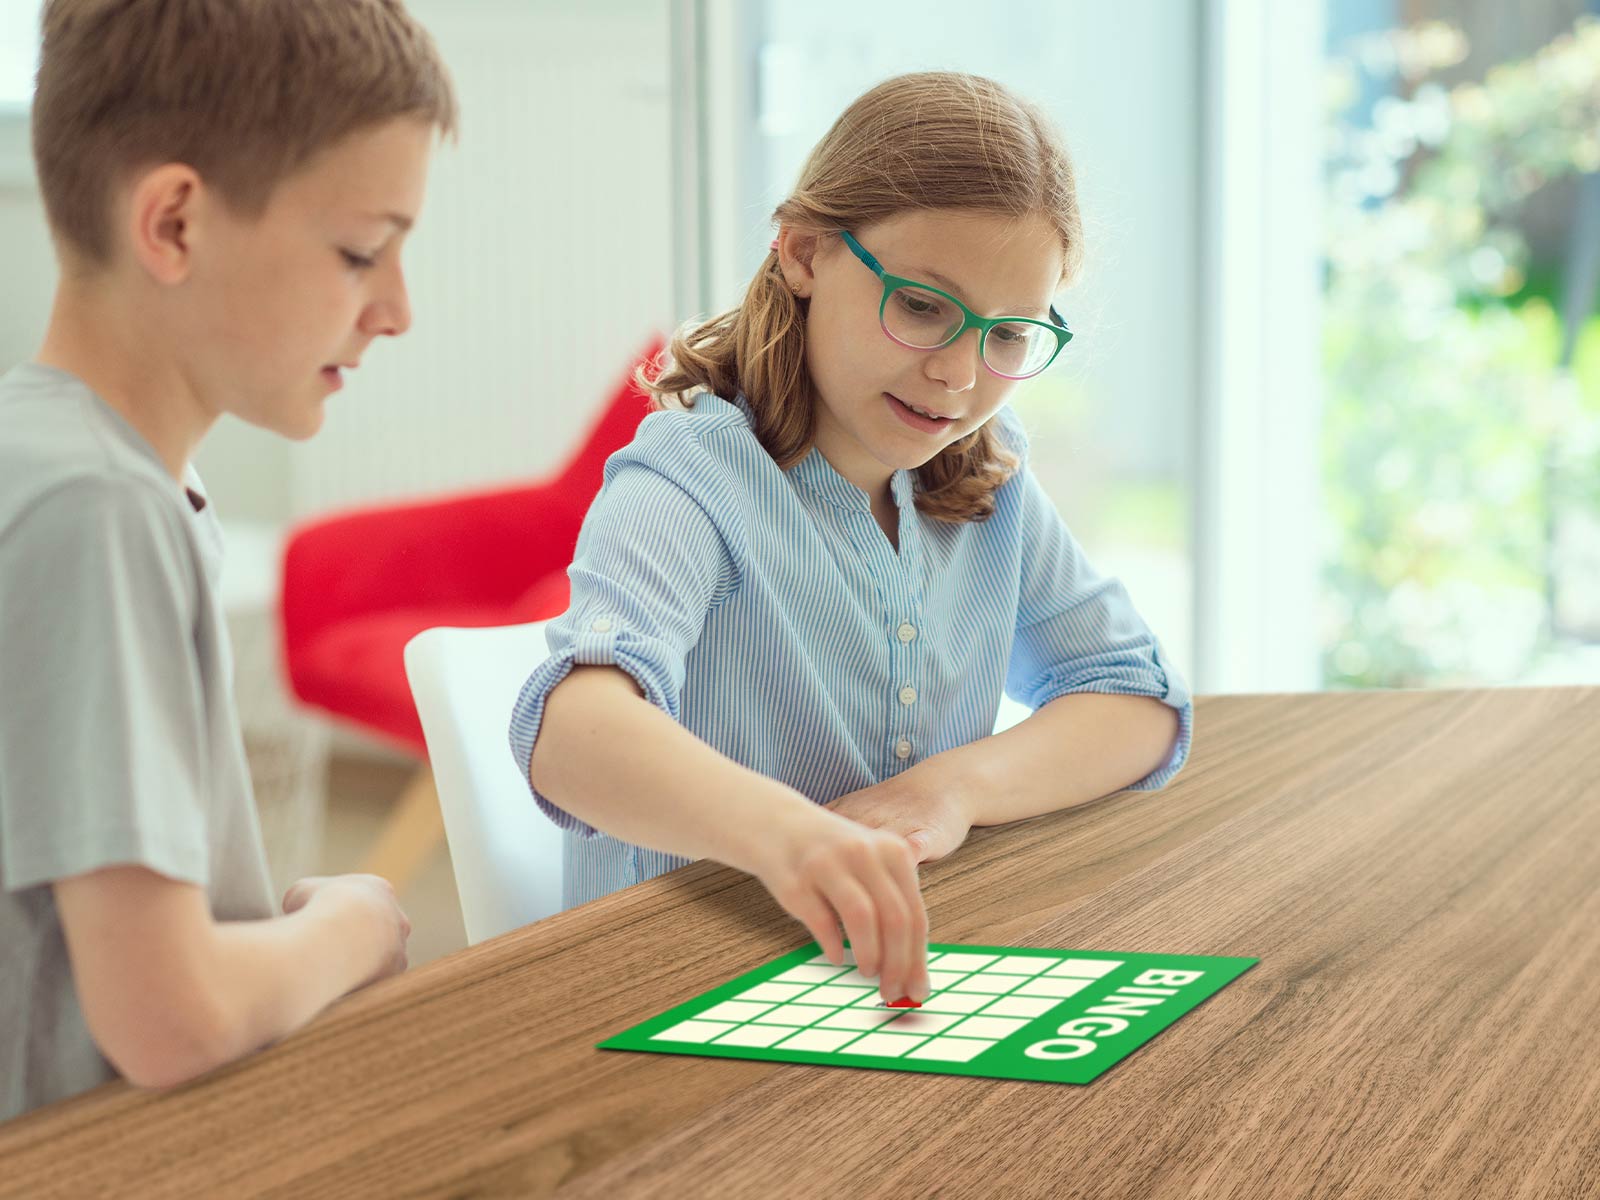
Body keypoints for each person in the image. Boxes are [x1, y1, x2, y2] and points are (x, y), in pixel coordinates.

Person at [513, 72, 1191, 1007]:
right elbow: (571, 736)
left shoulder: (987, 480)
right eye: (921, 306)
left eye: (1008, 335)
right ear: (802, 253)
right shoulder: (691, 477)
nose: (957, 374)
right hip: (687, 999)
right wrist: (789, 837)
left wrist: (951, 791)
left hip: (878, 985)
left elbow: (1135, 701)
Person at [0, 0, 456, 1120]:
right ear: (173, 226)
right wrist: (349, 926)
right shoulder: (101, 508)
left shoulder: (52, 452)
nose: (397, 309)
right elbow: (172, 1017)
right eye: (360, 252)